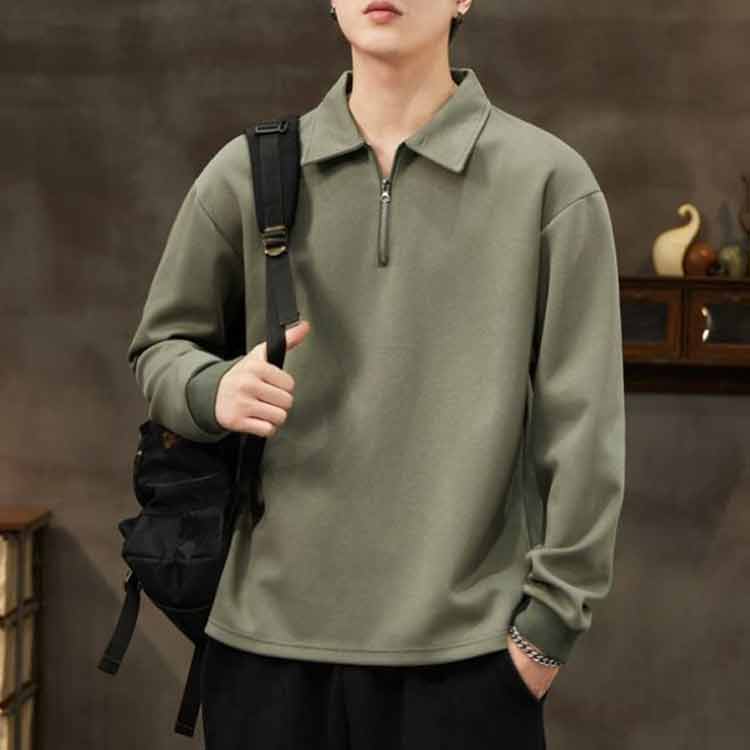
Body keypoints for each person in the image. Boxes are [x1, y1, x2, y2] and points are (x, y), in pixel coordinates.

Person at [127, 1, 626, 748]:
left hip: (468, 664)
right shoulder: (249, 172)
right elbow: (160, 347)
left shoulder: (549, 183)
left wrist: (547, 632)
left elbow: (585, 427)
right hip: (264, 655)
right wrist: (213, 389)